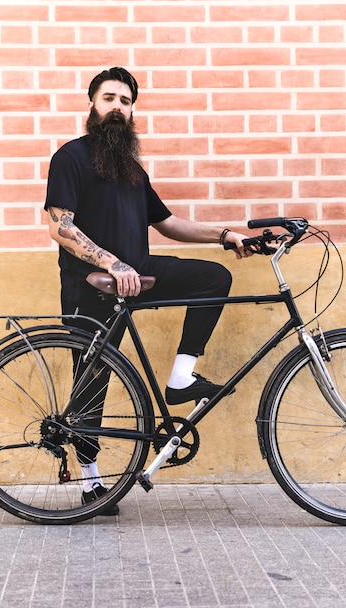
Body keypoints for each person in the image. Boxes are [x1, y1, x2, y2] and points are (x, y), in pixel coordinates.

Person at [45, 67, 254, 515]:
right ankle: (91, 484)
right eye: (108, 98)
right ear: (93, 105)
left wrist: (224, 235)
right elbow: (61, 226)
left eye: (125, 100)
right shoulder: (71, 157)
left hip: (137, 275)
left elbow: (168, 224)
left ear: (133, 109)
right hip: (92, 284)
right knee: (92, 382)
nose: (117, 107)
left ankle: (181, 377)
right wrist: (110, 262)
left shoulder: (132, 170)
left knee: (214, 278)